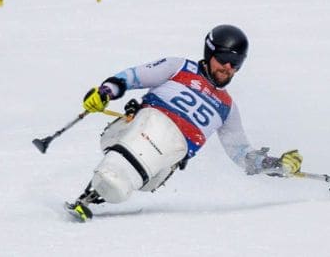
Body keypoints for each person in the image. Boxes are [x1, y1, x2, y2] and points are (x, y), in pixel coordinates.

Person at [65, 24, 303, 221]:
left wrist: (276, 164)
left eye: (236, 64)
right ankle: (94, 192)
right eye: (223, 59)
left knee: (166, 145)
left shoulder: (227, 108)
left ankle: (104, 189)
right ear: (210, 54)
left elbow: (241, 153)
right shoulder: (179, 68)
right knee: (153, 125)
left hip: (163, 162)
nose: (228, 68)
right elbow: (134, 77)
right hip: (133, 131)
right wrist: (106, 91)